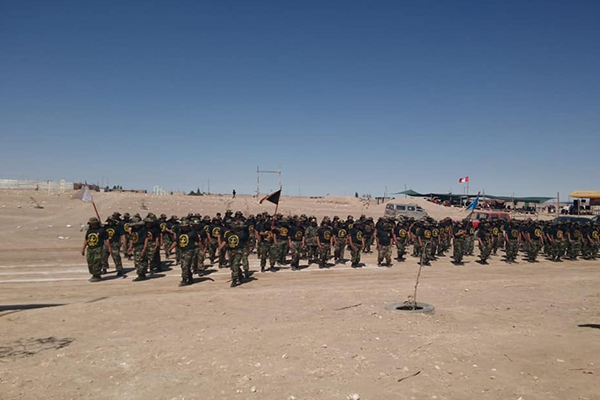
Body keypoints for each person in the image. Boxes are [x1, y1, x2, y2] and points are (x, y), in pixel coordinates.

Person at [221, 221, 251, 287]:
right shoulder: (228, 233)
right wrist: (220, 247)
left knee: (235, 264)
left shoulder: (243, 234)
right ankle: (240, 275)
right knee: (232, 265)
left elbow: (246, 243)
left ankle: (234, 279)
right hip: (230, 251)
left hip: (239, 251)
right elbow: (225, 241)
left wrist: (248, 250)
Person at [170, 219, 199, 286]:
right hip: (182, 250)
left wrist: (202, 250)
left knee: (185, 265)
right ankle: (190, 278)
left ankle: (184, 279)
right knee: (184, 265)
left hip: (189, 251)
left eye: (184, 226)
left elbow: (198, 242)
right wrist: (170, 248)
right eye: (182, 226)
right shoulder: (180, 232)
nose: (183, 228)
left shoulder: (193, 232)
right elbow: (176, 241)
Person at [82, 217, 109, 282]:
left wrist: (108, 248)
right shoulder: (89, 230)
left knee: (97, 262)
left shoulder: (101, 230)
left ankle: (97, 275)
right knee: (90, 262)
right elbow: (86, 240)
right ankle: (93, 273)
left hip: (98, 248)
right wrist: (83, 248)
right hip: (90, 248)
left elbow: (107, 239)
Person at [128, 217, 150, 281]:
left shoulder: (143, 229)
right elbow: (132, 238)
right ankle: (140, 273)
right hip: (136, 247)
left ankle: (141, 274)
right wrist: (130, 247)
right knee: (137, 261)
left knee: (141, 261)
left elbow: (146, 239)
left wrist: (144, 249)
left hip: (141, 246)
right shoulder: (133, 229)